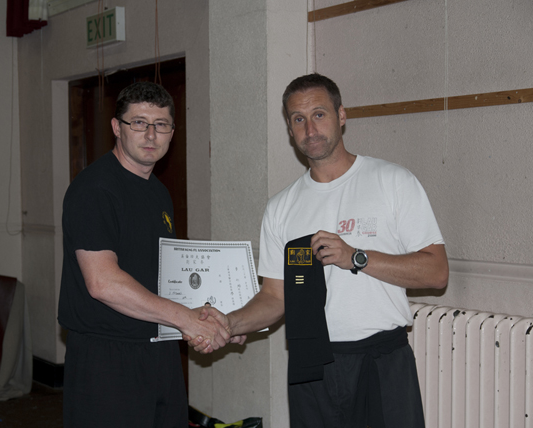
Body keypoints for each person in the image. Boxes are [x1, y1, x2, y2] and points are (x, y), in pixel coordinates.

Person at [187, 73, 449, 428]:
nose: (310, 128)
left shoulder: (392, 182)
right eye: (298, 119)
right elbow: (275, 296)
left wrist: (356, 257)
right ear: (290, 129)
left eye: (319, 114)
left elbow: (436, 272)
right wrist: (229, 322)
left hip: (380, 359)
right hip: (310, 367)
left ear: (342, 115)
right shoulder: (281, 208)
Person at [58, 81, 231, 428]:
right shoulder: (95, 190)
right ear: (116, 128)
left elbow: (164, 277)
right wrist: (186, 318)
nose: (150, 134)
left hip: (160, 349)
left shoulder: (159, 193)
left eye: (161, 124)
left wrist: (219, 317)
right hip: (107, 359)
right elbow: (102, 283)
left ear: (171, 132)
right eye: (138, 122)